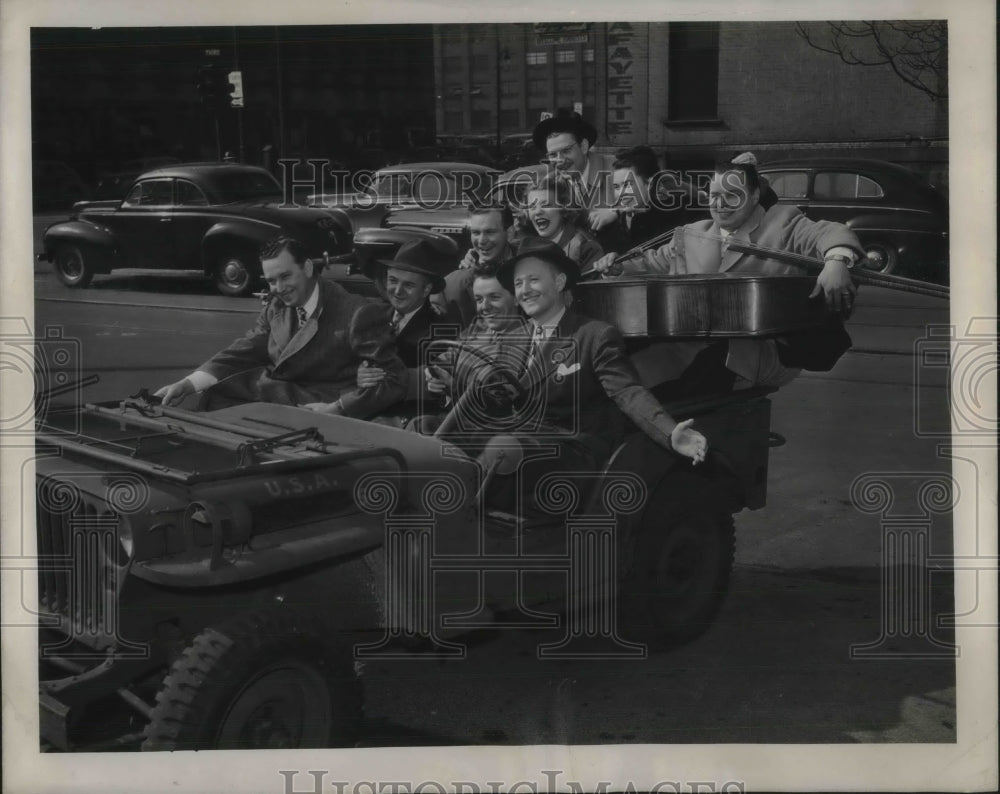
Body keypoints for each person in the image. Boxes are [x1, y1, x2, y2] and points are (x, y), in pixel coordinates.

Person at [440, 237, 707, 508]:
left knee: (500, 448)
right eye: (518, 284)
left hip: (573, 450)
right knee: (428, 431)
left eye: (534, 280)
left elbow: (627, 391)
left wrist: (669, 432)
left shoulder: (595, 335)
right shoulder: (515, 337)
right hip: (519, 442)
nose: (524, 291)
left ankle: (462, 523)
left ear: (558, 283)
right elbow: (500, 396)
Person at [592, 155, 864, 391]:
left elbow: (831, 232)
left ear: (755, 196)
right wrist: (617, 266)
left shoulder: (782, 222)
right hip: (693, 344)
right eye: (714, 196)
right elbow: (650, 262)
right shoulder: (693, 233)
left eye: (732, 195)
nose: (720, 204)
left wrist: (836, 261)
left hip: (760, 352)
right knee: (622, 374)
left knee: (675, 384)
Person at [155, 236, 407, 417]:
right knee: (213, 397)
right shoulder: (276, 305)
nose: (278, 288)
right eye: (271, 281)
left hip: (321, 408)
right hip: (279, 397)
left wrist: (338, 407)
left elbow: (394, 379)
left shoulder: (357, 313)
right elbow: (242, 351)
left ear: (308, 268)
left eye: (286, 277)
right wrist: (187, 385)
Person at [589, 145, 693, 257]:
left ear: (649, 183)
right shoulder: (608, 226)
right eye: (616, 187)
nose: (621, 194)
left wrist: (617, 212)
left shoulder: (678, 212)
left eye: (628, 185)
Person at [531, 109, 615, 233]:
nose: (560, 160)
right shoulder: (550, 183)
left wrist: (616, 211)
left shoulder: (615, 169)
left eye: (566, 151)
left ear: (584, 147)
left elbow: (647, 199)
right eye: (553, 155)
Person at [436, 206, 517, 327]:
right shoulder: (451, 287)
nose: (481, 241)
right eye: (476, 233)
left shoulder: (531, 268)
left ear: (509, 233)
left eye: (490, 232)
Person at [524, 173, 604, 271]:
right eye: (532, 207)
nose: (537, 212)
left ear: (563, 208)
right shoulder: (527, 248)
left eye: (546, 205)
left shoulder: (586, 248)